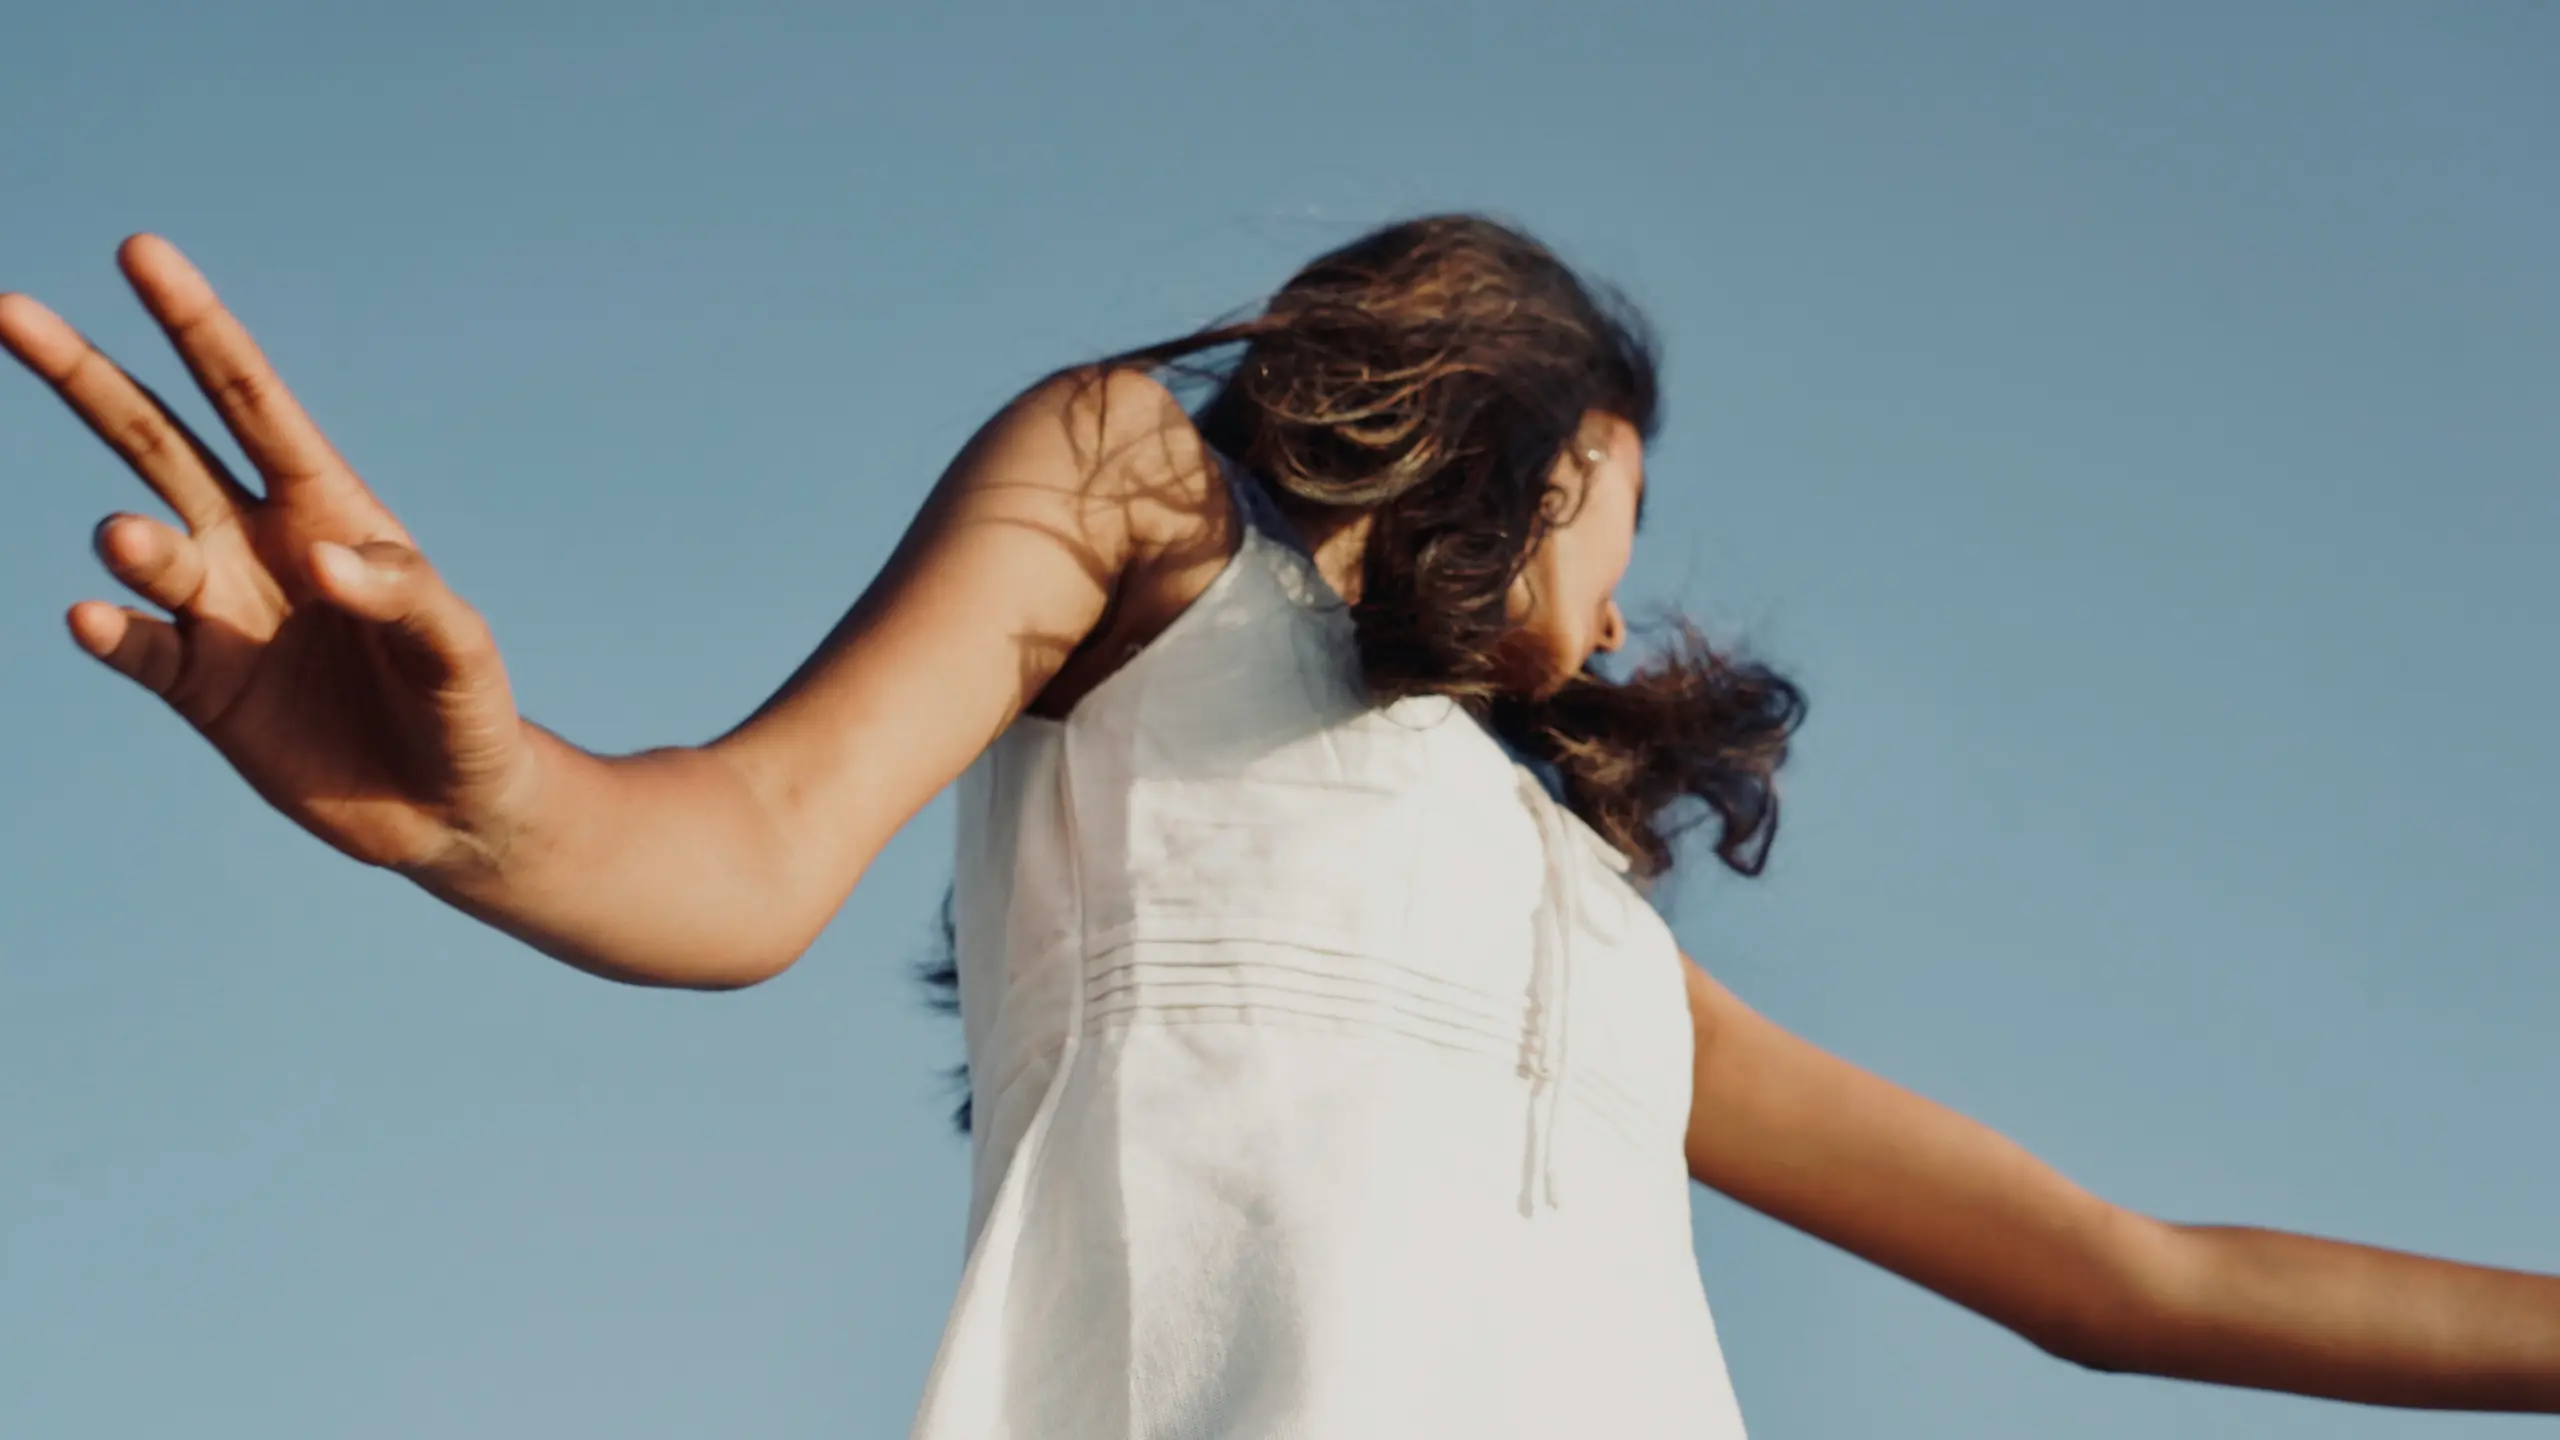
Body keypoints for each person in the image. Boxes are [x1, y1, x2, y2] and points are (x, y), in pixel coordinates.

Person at [3, 214, 2555, 1437]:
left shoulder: (1583, 930)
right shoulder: (1137, 490)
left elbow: (2119, 1275)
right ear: (1540, 431)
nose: (1626, 587)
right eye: (1627, 502)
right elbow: (747, 853)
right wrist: (486, 806)